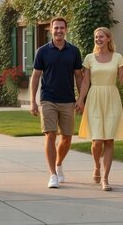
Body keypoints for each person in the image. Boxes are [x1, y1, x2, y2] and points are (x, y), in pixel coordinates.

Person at [75, 27, 123, 191]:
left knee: (109, 140)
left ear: (109, 39)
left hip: (111, 98)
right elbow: (85, 82)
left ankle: (105, 178)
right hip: (95, 98)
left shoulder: (118, 57)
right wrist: (80, 100)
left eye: (101, 36)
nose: (98, 39)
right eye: (96, 37)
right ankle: (96, 165)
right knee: (97, 141)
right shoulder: (89, 58)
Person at [29, 16, 83, 189]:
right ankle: (52, 174)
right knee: (50, 135)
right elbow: (36, 76)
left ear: (66, 29)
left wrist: (81, 99)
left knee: (66, 138)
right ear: (51, 30)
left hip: (68, 99)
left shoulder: (74, 51)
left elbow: (79, 76)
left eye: (62, 28)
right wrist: (33, 101)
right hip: (48, 99)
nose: (59, 31)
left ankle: (58, 164)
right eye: (56, 28)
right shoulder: (42, 51)